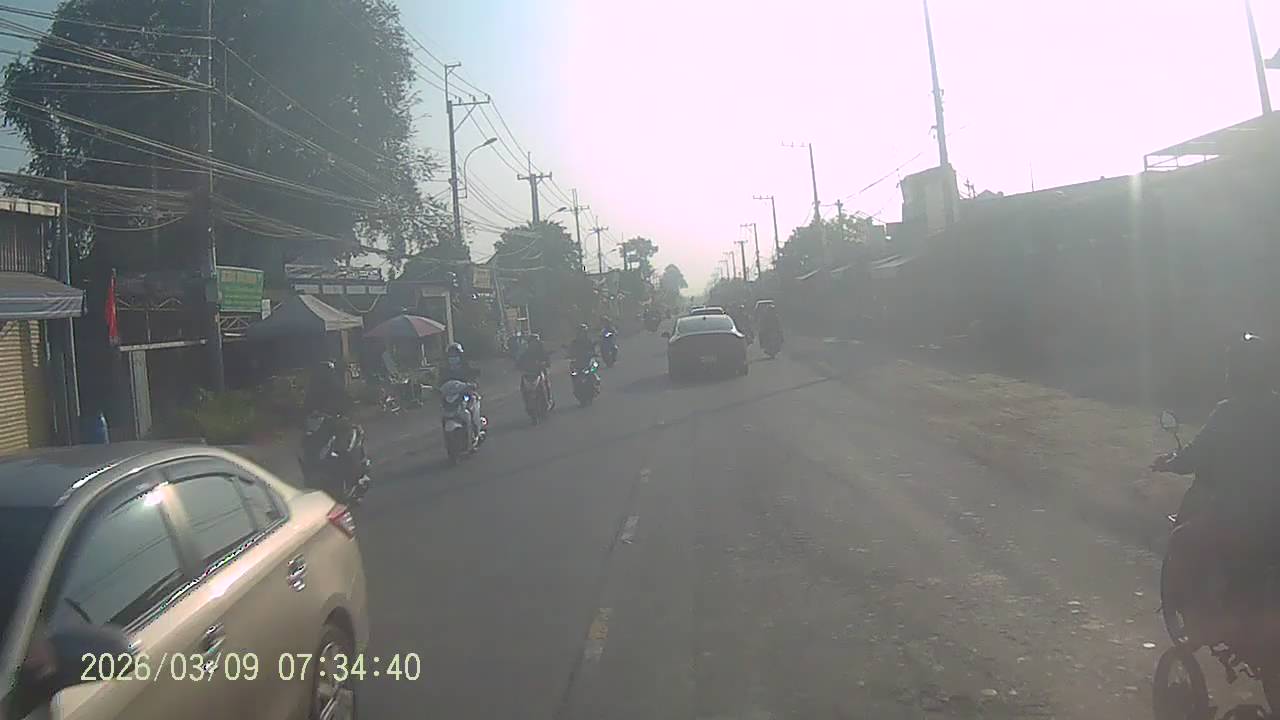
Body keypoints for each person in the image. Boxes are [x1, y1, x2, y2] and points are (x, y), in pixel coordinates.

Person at [1152, 332, 1280, 641]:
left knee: (1182, 539)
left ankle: (1201, 624)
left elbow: (1196, 455)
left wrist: (1169, 462)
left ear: (1234, 372)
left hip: (1240, 518)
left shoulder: (1229, 412)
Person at [517, 332, 553, 400]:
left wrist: (545, 364)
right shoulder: (526, 353)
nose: (533, 344)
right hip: (529, 374)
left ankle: (549, 398)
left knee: (546, 382)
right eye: (532, 342)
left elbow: (547, 360)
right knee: (523, 385)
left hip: (540, 372)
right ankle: (527, 400)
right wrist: (518, 366)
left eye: (535, 342)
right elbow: (519, 362)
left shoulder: (542, 352)